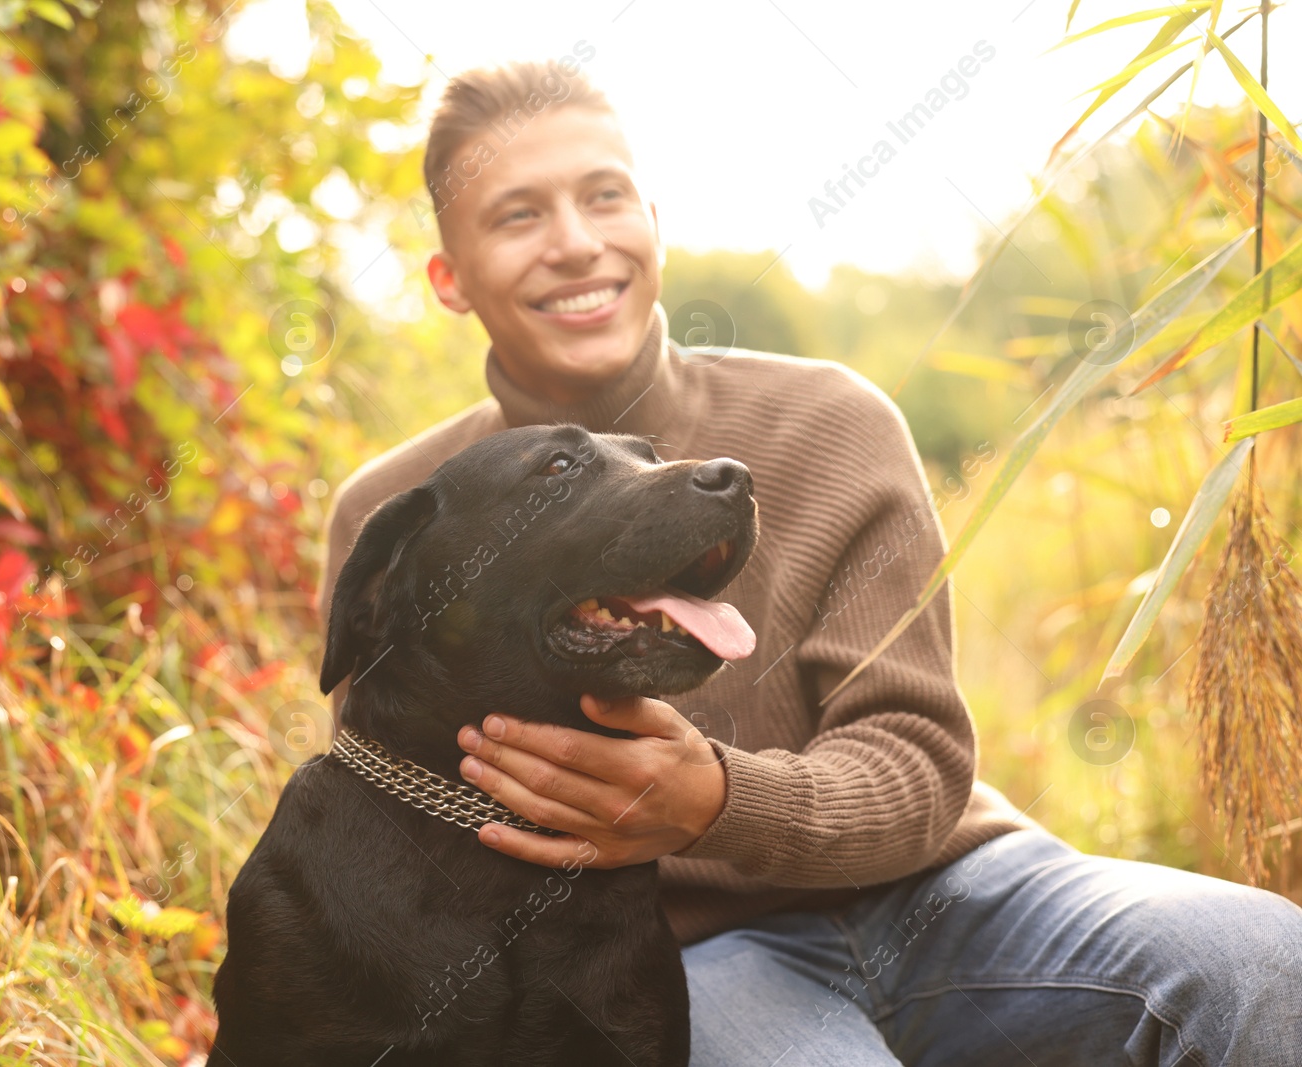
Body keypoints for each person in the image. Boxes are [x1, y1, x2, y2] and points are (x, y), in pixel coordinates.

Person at [315, 58, 1302, 1064]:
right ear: (449, 277)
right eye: (518, 216)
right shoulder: (403, 515)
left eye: (603, 197)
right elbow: (400, 825)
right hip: (688, 954)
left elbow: (918, 763)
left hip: (953, 885)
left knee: (1262, 957)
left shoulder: (831, 422)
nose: (576, 244)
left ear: (652, 220)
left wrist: (715, 799)